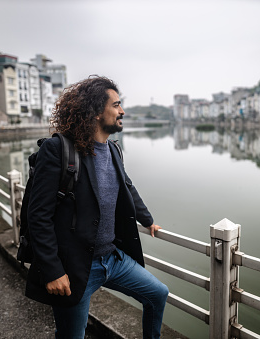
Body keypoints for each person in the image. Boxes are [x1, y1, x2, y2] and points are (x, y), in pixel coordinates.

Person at [25, 76, 168, 338]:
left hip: (113, 259)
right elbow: (38, 216)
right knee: (73, 335)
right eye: (116, 104)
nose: (122, 111)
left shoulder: (113, 150)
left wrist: (147, 220)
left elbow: (127, 187)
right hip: (76, 266)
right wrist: (53, 271)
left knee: (158, 294)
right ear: (95, 112)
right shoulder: (58, 150)